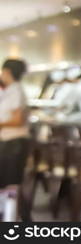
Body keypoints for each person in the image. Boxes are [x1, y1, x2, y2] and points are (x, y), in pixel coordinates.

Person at [0, 59, 30, 190]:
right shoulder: (11, 90)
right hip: (9, 142)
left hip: (14, 144)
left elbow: (18, 120)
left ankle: (10, 210)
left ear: (7, 71)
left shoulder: (16, 91)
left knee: (10, 186)